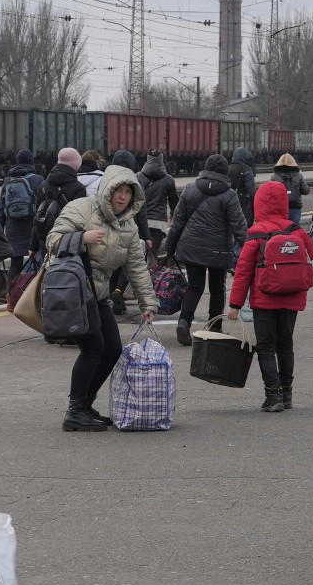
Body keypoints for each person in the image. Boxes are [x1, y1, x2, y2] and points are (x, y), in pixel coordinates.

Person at [46, 166, 158, 432]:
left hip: (98, 293)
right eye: (118, 190)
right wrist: (81, 238)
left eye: (127, 192)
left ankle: (85, 405)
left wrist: (148, 303)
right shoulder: (82, 208)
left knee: (112, 350)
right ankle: (75, 411)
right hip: (74, 292)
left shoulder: (127, 225)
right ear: (107, 189)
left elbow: (136, 266)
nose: (121, 197)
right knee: (93, 347)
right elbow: (52, 240)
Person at [227, 181, 313, 412]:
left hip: (264, 299)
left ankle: (273, 395)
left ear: (258, 204)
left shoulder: (256, 234)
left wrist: (235, 304)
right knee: (286, 344)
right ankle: (287, 394)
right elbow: (311, 253)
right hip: (293, 296)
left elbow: (243, 272)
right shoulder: (296, 230)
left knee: (266, 346)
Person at [161, 154, 248, 346]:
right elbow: (239, 227)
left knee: (195, 287)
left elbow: (177, 222)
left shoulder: (190, 189)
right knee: (217, 288)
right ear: (225, 171)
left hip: (191, 248)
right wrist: (250, 249)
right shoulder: (230, 194)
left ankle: (184, 322)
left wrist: (170, 247)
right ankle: (215, 327)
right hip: (219, 251)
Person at [107, 149, 153, 315]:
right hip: (129, 229)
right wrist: (147, 237)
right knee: (127, 265)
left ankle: (113, 299)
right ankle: (119, 291)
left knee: (112, 264)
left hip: (109, 229)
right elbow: (141, 212)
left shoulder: (106, 180)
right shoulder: (134, 182)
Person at [0, 149, 43, 292]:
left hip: (13, 229)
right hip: (32, 228)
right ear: (31, 162)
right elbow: (43, 205)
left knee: (15, 264)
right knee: (37, 262)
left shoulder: (7, 180)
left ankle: (11, 295)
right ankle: (34, 294)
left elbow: (1, 208)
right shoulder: (38, 180)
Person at [272, 153, 310, 224]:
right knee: (293, 230)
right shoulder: (299, 175)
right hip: (295, 207)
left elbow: (270, 192)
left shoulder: (274, 176)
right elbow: (306, 191)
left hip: (280, 207)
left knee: (281, 229)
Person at [227, 147, 257, 226]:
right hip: (243, 202)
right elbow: (252, 190)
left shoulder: (228, 168)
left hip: (229, 200)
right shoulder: (246, 169)